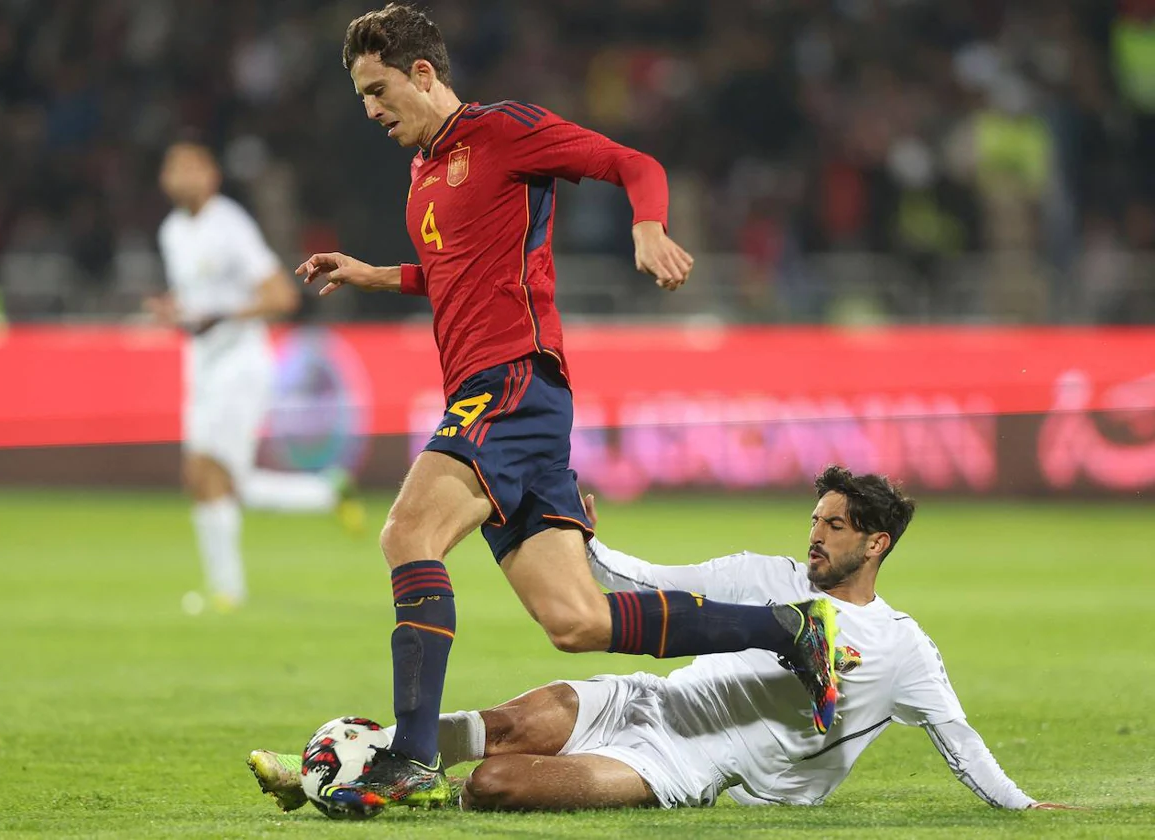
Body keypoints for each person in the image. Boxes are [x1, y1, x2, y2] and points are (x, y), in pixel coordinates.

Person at [293, 4, 841, 816]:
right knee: (576, 620)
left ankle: (411, 757)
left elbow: (632, 161)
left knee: (407, 534)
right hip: (512, 402)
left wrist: (648, 228)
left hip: (511, 380)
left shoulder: (504, 131)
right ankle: (788, 631)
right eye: (360, 96)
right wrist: (379, 276)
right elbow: (453, 272)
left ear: (421, 73)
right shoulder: (422, 171)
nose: (370, 110)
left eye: (377, 90)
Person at [248, 466, 1076, 814]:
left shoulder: (901, 648)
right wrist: (589, 549)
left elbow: (957, 739)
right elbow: (659, 582)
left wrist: (1025, 804)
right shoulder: (769, 574)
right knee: (511, 720)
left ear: (877, 544)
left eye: (836, 526)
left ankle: (364, 783)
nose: (817, 536)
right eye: (815, 519)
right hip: (654, 698)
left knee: (499, 784)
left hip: (690, 759)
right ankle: (352, 768)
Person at [149, 140, 364, 612]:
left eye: (191, 166)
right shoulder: (172, 232)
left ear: (211, 175)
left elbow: (282, 296)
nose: (181, 176)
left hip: (239, 365)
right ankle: (326, 491)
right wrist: (176, 311)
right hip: (202, 363)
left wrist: (219, 316)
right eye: (173, 167)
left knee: (212, 474)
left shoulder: (229, 225)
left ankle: (227, 591)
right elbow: (197, 299)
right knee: (220, 479)